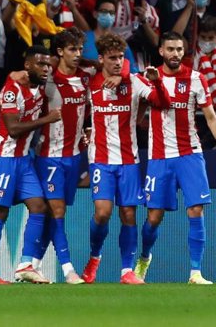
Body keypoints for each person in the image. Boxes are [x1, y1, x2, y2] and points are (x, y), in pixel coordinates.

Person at [134, 31, 216, 285]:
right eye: (170, 49)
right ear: (161, 51)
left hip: (190, 154)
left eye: (179, 49)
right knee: (154, 218)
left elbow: (212, 118)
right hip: (159, 157)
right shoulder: (147, 79)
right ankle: (144, 258)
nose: (175, 54)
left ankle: (195, 272)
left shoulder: (196, 79)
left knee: (196, 208)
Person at [81, 33, 170, 285]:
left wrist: (158, 83)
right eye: (112, 58)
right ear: (101, 59)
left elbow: (161, 102)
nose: (118, 62)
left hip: (128, 159)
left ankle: (126, 271)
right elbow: (73, 66)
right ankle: (95, 257)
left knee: (128, 214)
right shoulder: (91, 82)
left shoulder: (133, 81)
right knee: (102, 213)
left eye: (121, 57)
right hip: (100, 158)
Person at [0, 45, 60, 285]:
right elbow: (13, 130)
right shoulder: (11, 90)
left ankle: (26, 264)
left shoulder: (41, 87)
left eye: (48, 65)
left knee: (38, 206)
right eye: (41, 64)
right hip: (4, 158)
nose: (46, 69)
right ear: (27, 65)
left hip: (24, 160)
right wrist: (47, 119)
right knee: (0, 212)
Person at [33, 28, 90, 285]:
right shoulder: (47, 82)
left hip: (75, 156)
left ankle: (31, 264)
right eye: (71, 50)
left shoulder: (85, 80)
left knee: (54, 213)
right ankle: (68, 270)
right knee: (56, 212)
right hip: (50, 156)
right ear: (59, 52)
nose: (77, 54)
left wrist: (85, 132)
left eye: (79, 49)